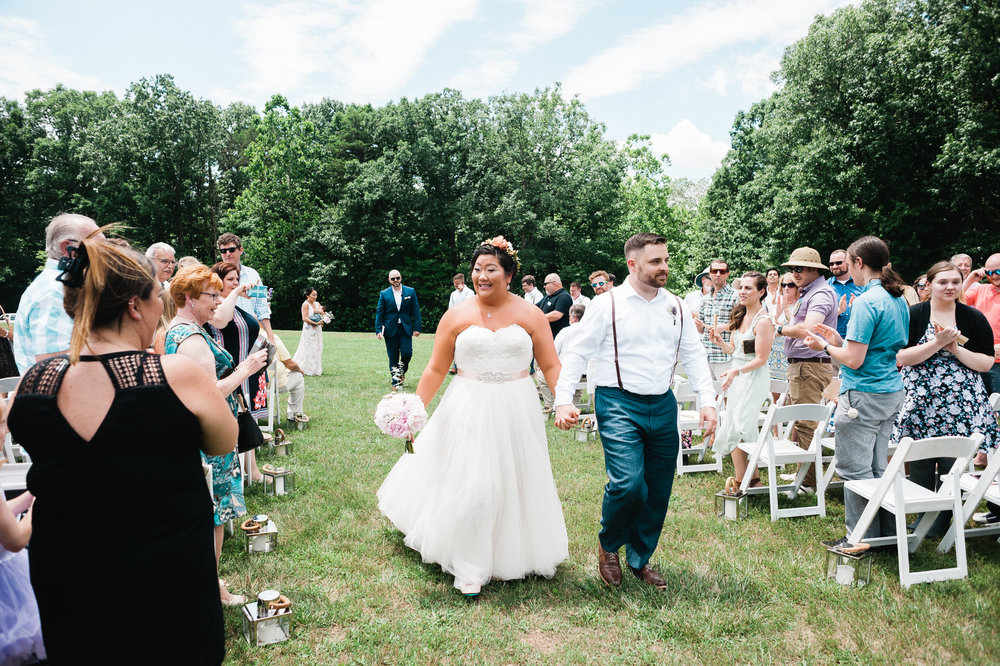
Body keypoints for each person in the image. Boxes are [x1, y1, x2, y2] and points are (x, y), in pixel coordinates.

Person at [8, 235, 237, 662]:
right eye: (158, 297)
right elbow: (226, 441)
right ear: (135, 305)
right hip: (167, 579)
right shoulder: (177, 376)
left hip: (67, 580)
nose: (161, 308)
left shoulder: (34, 382)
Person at [377, 236, 567, 598]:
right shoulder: (457, 314)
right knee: (474, 485)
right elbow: (435, 368)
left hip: (517, 406)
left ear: (509, 275)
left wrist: (564, 402)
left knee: (513, 481)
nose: (481, 276)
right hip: (468, 403)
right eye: (477, 269)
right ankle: (469, 565)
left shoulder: (530, 315)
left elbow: (551, 365)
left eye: (490, 269)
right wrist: (413, 410)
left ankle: (508, 554)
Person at [554, 233, 717, 590]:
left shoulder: (675, 305)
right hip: (617, 401)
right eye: (656, 261)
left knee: (657, 488)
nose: (664, 267)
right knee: (628, 483)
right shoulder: (607, 305)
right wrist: (564, 399)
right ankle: (609, 545)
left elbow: (693, 354)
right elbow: (577, 352)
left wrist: (708, 401)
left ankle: (640, 558)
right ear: (632, 264)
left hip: (662, 402)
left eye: (666, 260)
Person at [166, 264, 268, 606]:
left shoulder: (190, 328)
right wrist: (246, 369)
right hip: (207, 435)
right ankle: (210, 587)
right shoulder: (191, 339)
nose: (217, 301)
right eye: (211, 295)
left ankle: (205, 582)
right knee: (215, 514)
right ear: (188, 298)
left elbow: (223, 318)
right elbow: (211, 391)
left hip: (200, 431)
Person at [804, 236, 909, 546]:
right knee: (878, 466)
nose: (847, 268)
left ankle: (857, 537)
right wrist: (838, 339)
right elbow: (874, 347)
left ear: (859, 263)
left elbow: (854, 359)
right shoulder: (898, 298)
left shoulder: (866, 301)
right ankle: (884, 535)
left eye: (848, 263)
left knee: (853, 469)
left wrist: (823, 345)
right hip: (890, 390)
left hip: (863, 394)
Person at [891, 261, 999, 535]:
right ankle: (922, 519)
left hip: (961, 402)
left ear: (962, 284)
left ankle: (942, 521)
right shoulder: (914, 314)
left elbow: (986, 362)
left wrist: (955, 349)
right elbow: (901, 357)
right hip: (921, 398)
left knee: (953, 462)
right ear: (929, 285)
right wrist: (936, 344)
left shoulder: (972, 317)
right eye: (943, 282)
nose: (950, 287)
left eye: (955, 281)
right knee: (920, 458)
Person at [775, 247, 837, 491]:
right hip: (805, 366)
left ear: (814, 269)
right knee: (803, 424)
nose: (794, 274)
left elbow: (807, 330)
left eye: (798, 269)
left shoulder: (820, 294)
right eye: (791, 269)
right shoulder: (811, 292)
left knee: (807, 425)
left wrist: (778, 328)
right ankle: (805, 474)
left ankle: (810, 482)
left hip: (808, 367)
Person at [13, 213, 104, 374]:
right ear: (67, 248)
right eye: (98, 247)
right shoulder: (54, 293)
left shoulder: (60, 287)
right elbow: (53, 367)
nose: (106, 255)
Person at [710, 272, 774, 486]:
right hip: (737, 375)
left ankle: (744, 480)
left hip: (753, 377)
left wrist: (736, 372)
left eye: (748, 288)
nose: (742, 292)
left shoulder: (763, 321)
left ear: (761, 292)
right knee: (734, 423)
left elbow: (761, 359)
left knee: (740, 425)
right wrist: (720, 342)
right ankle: (750, 479)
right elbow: (734, 351)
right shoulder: (740, 315)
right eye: (741, 288)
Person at [0, 397, 45, 664]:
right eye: (2, 424)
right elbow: (15, 540)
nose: (6, 431)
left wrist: (30, 495)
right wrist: (35, 510)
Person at [216, 232, 275, 345]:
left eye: (232, 250)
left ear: (241, 250)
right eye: (223, 251)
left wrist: (270, 337)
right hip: (225, 334)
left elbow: (262, 308)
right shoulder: (214, 276)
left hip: (252, 333)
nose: (227, 254)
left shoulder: (253, 275)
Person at [375, 269, 422, 388]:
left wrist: (417, 327)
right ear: (389, 280)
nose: (396, 280)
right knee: (393, 356)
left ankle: (401, 373)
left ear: (401, 278)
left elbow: (416, 310)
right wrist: (378, 330)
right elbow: (380, 313)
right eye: (393, 279)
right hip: (390, 329)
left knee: (407, 353)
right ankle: (395, 381)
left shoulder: (410, 291)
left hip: (405, 328)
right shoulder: (384, 294)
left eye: (397, 278)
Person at [962, 253, 1000, 396]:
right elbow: (954, 301)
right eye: (990, 272)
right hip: (978, 357)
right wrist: (970, 279)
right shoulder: (980, 289)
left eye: (998, 271)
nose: (994, 276)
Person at [695, 258, 737, 379]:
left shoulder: (736, 296)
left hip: (726, 357)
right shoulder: (705, 298)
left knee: (727, 396)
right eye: (715, 271)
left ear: (727, 274)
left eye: (722, 271)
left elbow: (742, 325)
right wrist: (698, 325)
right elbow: (701, 331)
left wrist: (724, 327)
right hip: (706, 356)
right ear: (710, 274)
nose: (718, 274)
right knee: (708, 395)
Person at [271, 333, 308, 423]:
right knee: (299, 376)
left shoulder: (245, 335)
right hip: (273, 382)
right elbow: (290, 364)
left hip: (252, 383)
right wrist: (299, 369)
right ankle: (294, 416)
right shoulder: (272, 337)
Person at [828, 249, 862, 340]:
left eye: (838, 263)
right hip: (833, 340)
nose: (834, 266)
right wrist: (838, 311)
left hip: (858, 338)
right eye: (831, 264)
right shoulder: (825, 287)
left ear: (848, 262)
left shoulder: (862, 284)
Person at [294, 287, 325, 376]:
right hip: (309, 328)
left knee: (317, 347)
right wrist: (314, 323)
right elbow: (304, 318)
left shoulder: (317, 303)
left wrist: (323, 320)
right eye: (313, 295)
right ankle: (307, 368)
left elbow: (322, 313)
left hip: (318, 328)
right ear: (308, 295)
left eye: (316, 295)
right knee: (309, 347)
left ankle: (316, 369)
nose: (315, 297)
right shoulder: (305, 304)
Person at [540, 273, 573, 339]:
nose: (544, 286)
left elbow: (557, 315)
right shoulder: (547, 297)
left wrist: (537, 318)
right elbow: (534, 307)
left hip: (558, 338)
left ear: (553, 283)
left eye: (545, 284)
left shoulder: (564, 296)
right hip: (547, 337)